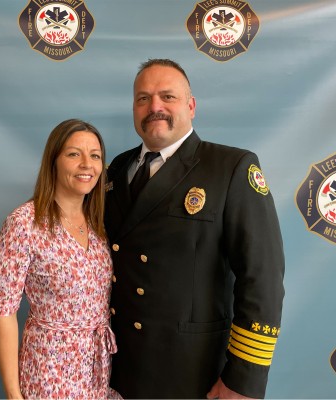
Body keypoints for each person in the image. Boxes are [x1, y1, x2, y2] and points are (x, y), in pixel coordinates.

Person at [104, 59, 285, 399]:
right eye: (143, 98)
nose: (154, 107)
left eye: (167, 96)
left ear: (191, 106)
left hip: (194, 373)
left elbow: (262, 278)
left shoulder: (231, 168)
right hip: (117, 369)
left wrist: (244, 378)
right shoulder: (115, 170)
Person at [0, 119, 121, 399]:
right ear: (54, 161)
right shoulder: (24, 223)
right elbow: (3, 313)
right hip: (49, 372)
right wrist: (13, 393)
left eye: (95, 156)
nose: (87, 164)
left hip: (97, 370)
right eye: (74, 154)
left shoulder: (99, 221)